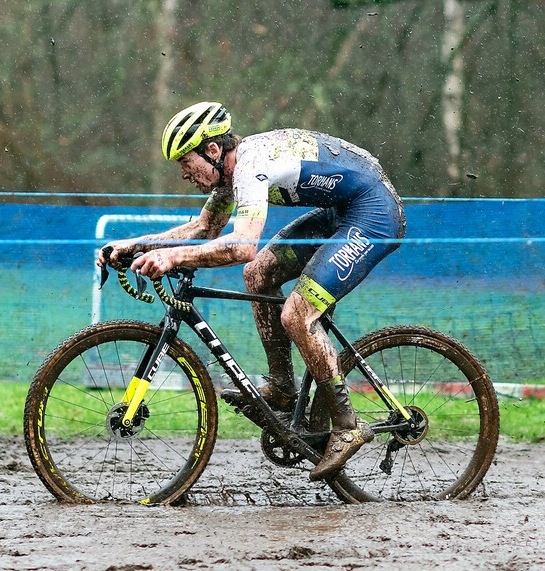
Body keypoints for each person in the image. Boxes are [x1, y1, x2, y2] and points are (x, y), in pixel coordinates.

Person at [97, 101, 405, 481]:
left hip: (372, 213)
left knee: (297, 313)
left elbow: (242, 245)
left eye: (184, 162)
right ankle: (283, 387)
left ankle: (348, 424)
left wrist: (173, 258)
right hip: (340, 212)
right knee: (258, 275)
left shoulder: (250, 165)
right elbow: (203, 231)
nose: (183, 174)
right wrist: (136, 246)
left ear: (212, 150)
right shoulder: (227, 176)